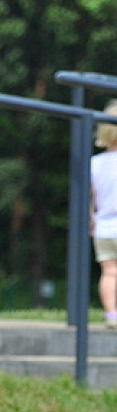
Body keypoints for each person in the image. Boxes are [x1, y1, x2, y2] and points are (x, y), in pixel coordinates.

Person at [90, 100, 117, 329]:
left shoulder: (94, 163)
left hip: (104, 226)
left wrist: (91, 219)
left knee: (109, 272)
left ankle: (111, 314)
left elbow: (91, 198)